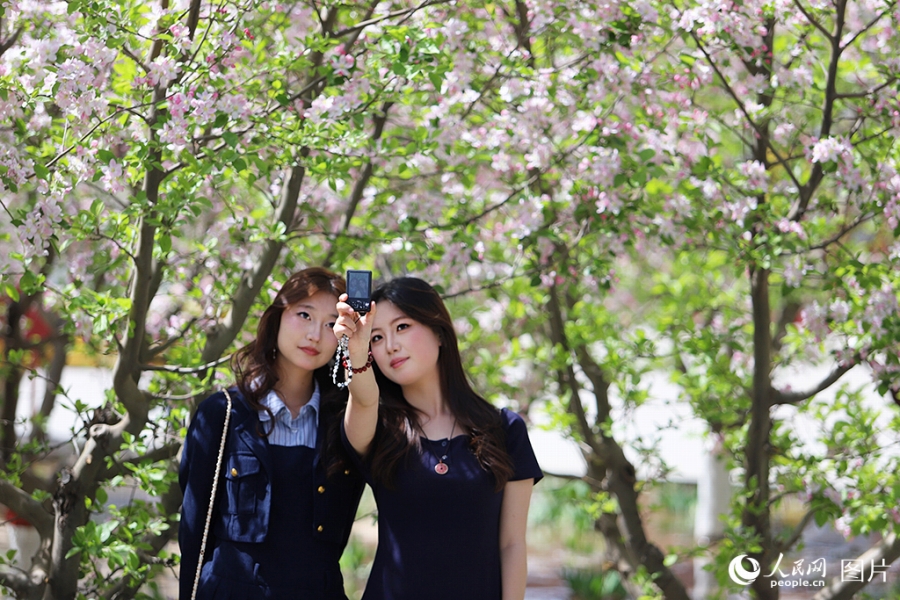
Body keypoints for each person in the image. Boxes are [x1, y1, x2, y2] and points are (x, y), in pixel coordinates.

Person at [334, 277, 543, 600]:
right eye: (377, 337)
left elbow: (512, 543)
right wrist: (356, 353)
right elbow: (363, 399)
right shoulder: (378, 428)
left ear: (439, 332)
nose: (390, 345)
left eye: (402, 327)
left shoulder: (504, 429)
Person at [179, 267, 365, 600]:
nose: (314, 335)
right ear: (277, 317)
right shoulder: (221, 414)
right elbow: (194, 532)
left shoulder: (346, 422)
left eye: (329, 324)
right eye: (304, 315)